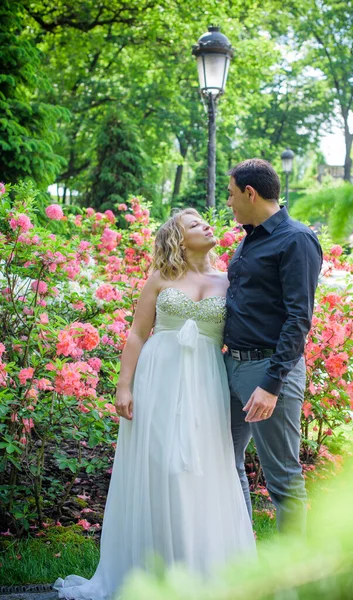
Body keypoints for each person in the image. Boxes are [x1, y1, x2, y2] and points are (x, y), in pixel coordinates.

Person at [54, 208, 255, 600]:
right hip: (158, 380)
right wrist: (123, 387)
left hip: (206, 383)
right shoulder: (161, 279)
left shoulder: (228, 281)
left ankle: (200, 570)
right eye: (194, 224)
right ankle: (154, 569)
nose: (205, 225)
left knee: (202, 469)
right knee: (163, 468)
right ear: (177, 240)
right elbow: (135, 334)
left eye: (204, 221)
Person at [224, 158, 322, 536]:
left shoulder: (296, 239)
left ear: (251, 192)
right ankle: (242, 552)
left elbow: (299, 318)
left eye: (232, 195)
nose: (229, 203)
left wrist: (271, 383)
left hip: (268, 372)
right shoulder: (251, 236)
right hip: (233, 365)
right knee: (226, 462)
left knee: (282, 479)